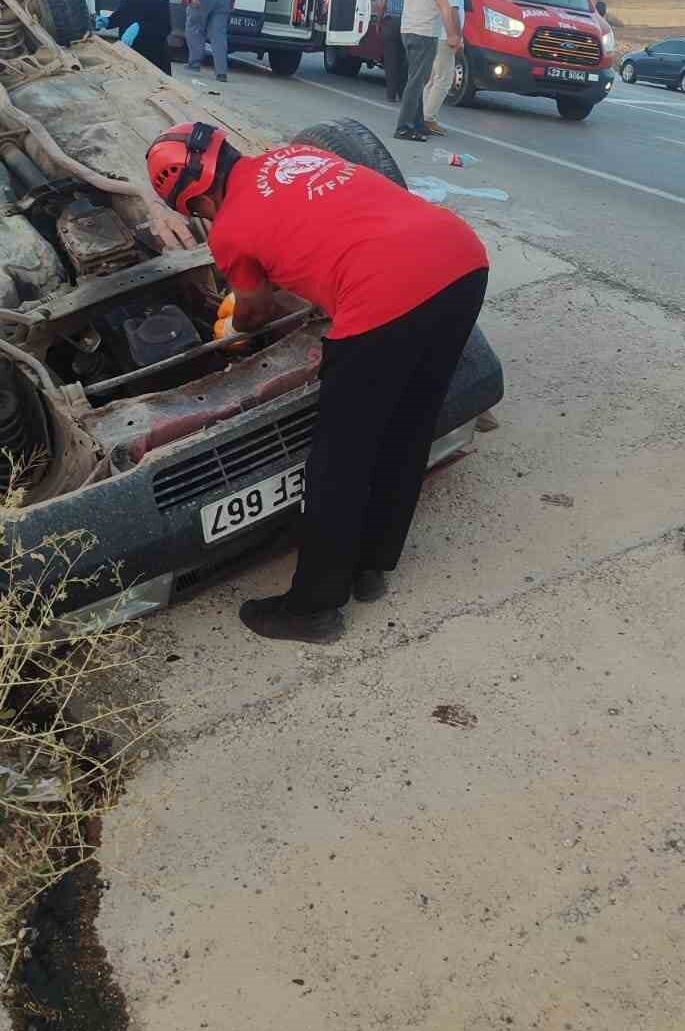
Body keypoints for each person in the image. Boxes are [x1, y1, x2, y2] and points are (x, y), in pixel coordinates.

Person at [146, 121, 490, 643]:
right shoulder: (294, 153)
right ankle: (371, 566)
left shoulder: (230, 230)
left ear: (193, 201)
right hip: (460, 260)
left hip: (385, 296)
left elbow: (255, 311)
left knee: (338, 461)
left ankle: (314, 606)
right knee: (408, 425)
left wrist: (233, 336)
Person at [395, 0, 462, 142]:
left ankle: (418, 123)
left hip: (408, 25)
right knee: (417, 81)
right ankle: (404, 126)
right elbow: (443, 0)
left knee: (420, 77)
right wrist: (452, 34)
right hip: (425, 28)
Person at [423, 0, 465, 135]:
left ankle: (422, 114)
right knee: (444, 80)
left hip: (435, 34)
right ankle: (428, 118)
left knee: (432, 79)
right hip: (445, 36)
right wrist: (455, 36)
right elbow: (453, 10)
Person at [381, 0, 409, 102]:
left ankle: (391, 95)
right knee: (403, 60)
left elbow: (382, 4)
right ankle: (402, 93)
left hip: (390, 22)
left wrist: (380, 20)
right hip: (406, 24)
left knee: (391, 61)